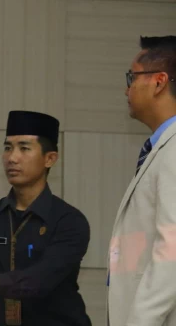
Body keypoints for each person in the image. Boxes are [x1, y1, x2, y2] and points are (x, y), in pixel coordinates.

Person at [0, 110, 92, 326]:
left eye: (24, 148)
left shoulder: (69, 221)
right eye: (8, 148)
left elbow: (40, 280)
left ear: (50, 158)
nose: (12, 158)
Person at [107, 36, 176, 326]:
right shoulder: (159, 148)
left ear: (159, 81)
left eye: (132, 77)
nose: (127, 89)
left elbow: (171, 251)